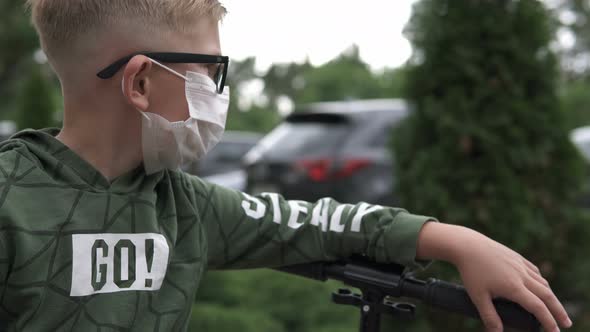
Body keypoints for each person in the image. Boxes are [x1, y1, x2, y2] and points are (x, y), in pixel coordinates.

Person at [0, 1, 572, 331]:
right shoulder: (11, 197)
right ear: (142, 82)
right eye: (209, 71)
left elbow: (315, 223)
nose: (220, 91)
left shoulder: (184, 204)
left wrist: (454, 241)